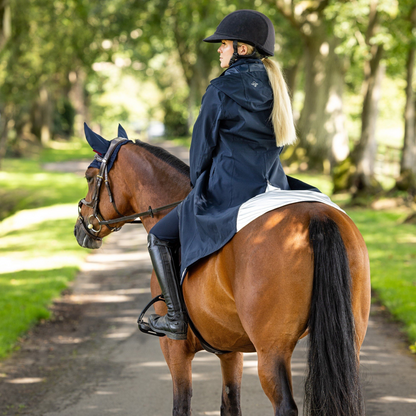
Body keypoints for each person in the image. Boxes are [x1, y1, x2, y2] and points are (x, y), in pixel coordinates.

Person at [147, 9, 297, 340]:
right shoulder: (277, 87)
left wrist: (198, 183)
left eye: (224, 43)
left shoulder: (221, 89)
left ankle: (174, 318)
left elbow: (201, 149)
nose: (219, 49)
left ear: (241, 49)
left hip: (229, 189)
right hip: (275, 185)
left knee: (157, 236)